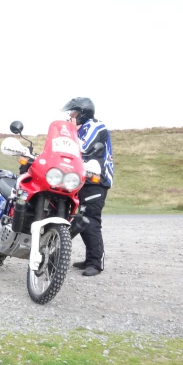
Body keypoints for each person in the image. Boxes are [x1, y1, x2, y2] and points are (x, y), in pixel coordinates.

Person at [61, 97, 114, 277]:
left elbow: (82, 148)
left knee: (90, 220)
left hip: (96, 180)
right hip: (80, 178)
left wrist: (71, 132)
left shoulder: (95, 126)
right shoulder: (82, 128)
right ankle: (89, 258)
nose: (70, 116)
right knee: (80, 219)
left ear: (82, 113)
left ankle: (95, 263)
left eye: (73, 112)